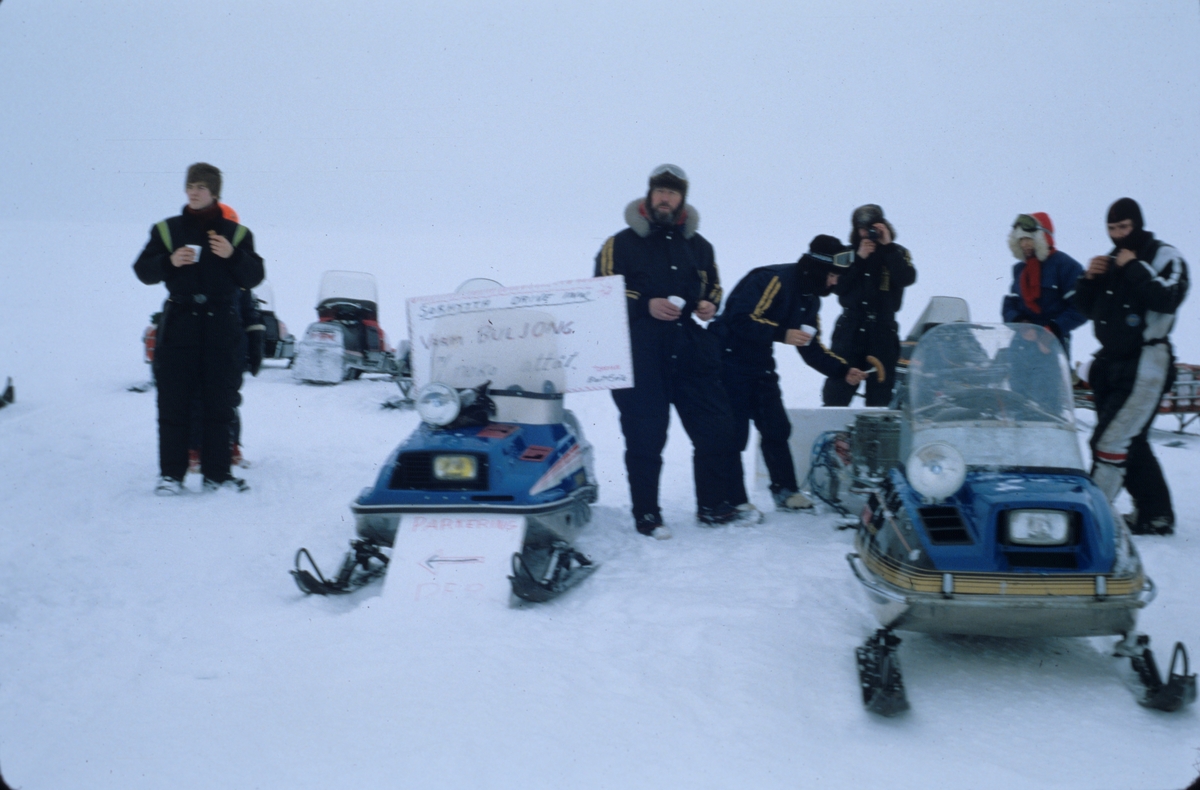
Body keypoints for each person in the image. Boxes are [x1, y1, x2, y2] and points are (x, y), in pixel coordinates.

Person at [594, 164, 760, 539]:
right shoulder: (619, 243)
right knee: (645, 436)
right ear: (649, 195)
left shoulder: (700, 247)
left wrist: (708, 306)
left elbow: (714, 287)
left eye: (672, 192)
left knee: (716, 427)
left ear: (682, 199)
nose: (665, 198)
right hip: (640, 353)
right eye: (659, 191)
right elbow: (601, 293)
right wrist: (644, 305)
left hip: (690, 350)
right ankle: (647, 514)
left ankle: (714, 506)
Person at [133, 163, 265, 494]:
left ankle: (216, 476)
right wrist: (169, 262)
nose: (194, 191)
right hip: (179, 325)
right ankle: (171, 477)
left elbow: (254, 277)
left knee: (219, 405)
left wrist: (233, 256)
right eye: (190, 185)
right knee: (173, 404)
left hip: (221, 328)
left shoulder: (237, 234)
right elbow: (143, 270)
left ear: (215, 192)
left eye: (201, 187)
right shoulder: (166, 230)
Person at [710, 235, 868, 511]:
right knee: (734, 434)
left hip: (760, 364)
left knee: (777, 427)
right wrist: (781, 333)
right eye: (832, 275)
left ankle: (786, 491)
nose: (834, 283)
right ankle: (733, 499)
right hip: (727, 360)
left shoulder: (810, 300)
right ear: (818, 269)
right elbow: (739, 318)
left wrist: (843, 371)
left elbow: (811, 347)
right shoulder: (775, 279)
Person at [1074, 198, 1188, 535]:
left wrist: (1134, 267)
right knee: (1131, 440)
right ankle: (1156, 514)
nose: (1118, 235)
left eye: (1124, 227)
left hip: (1147, 362)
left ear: (1137, 224)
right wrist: (1088, 280)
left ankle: (1088, 521)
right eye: (1111, 229)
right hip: (1112, 363)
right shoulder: (1110, 261)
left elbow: (1169, 298)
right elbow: (1087, 311)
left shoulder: (1166, 256)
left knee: (1109, 440)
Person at [822, 204, 917, 407]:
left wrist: (888, 247)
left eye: (872, 228)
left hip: (882, 330)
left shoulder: (898, 253)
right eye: (862, 229)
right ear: (856, 230)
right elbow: (838, 288)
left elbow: (907, 278)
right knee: (837, 391)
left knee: (880, 396)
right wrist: (859, 259)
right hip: (850, 329)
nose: (867, 234)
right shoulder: (846, 254)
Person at [1001, 212, 1086, 354]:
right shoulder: (1020, 270)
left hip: (1051, 349)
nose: (1024, 244)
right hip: (1020, 349)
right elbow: (1010, 304)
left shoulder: (1065, 266)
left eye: (1029, 238)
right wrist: (1021, 322)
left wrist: (1053, 330)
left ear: (1043, 238)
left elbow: (1082, 307)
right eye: (1020, 239)